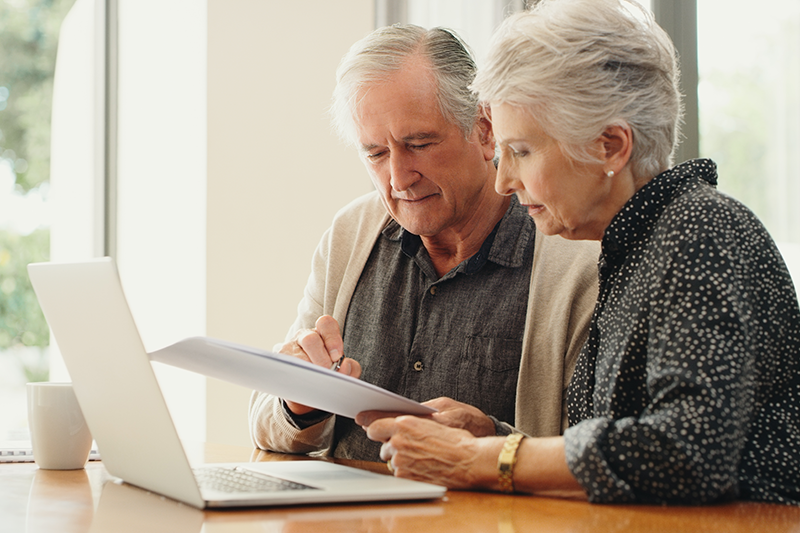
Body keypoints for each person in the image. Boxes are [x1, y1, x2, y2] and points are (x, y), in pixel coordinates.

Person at [361, 0, 800, 505]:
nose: (504, 181)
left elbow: (685, 452)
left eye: (522, 151)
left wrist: (476, 460)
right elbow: (615, 452)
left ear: (610, 145)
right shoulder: (634, 247)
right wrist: (493, 439)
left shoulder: (702, 232)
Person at [248, 24, 600, 461]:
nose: (398, 178)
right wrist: (299, 403)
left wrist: (493, 442)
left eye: (419, 144)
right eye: (375, 153)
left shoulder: (574, 261)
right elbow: (264, 420)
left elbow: (595, 456)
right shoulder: (351, 234)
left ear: (485, 129)